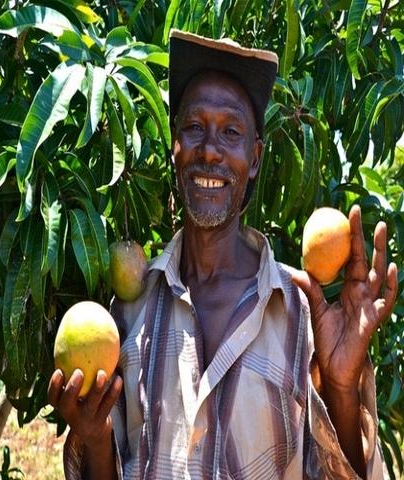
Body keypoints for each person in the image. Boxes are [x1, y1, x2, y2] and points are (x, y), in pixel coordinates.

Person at [48, 30, 398, 479]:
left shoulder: (301, 317)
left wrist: (341, 387)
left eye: (231, 132)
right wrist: (96, 438)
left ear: (255, 158)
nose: (210, 150)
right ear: (174, 147)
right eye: (194, 128)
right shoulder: (128, 315)